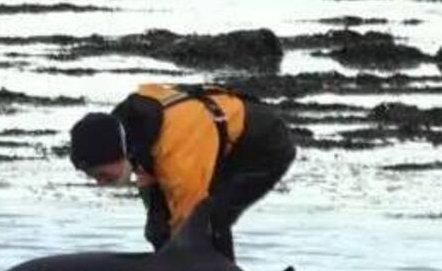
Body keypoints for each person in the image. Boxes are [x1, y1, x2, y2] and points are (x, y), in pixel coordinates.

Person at [68, 83, 295, 261]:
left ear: (118, 154)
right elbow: (150, 184)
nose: (100, 184)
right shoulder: (126, 129)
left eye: (101, 175)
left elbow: (191, 217)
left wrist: (185, 253)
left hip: (261, 144)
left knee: (210, 220)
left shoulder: (176, 154)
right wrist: (159, 234)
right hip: (208, 141)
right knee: (158, 228)